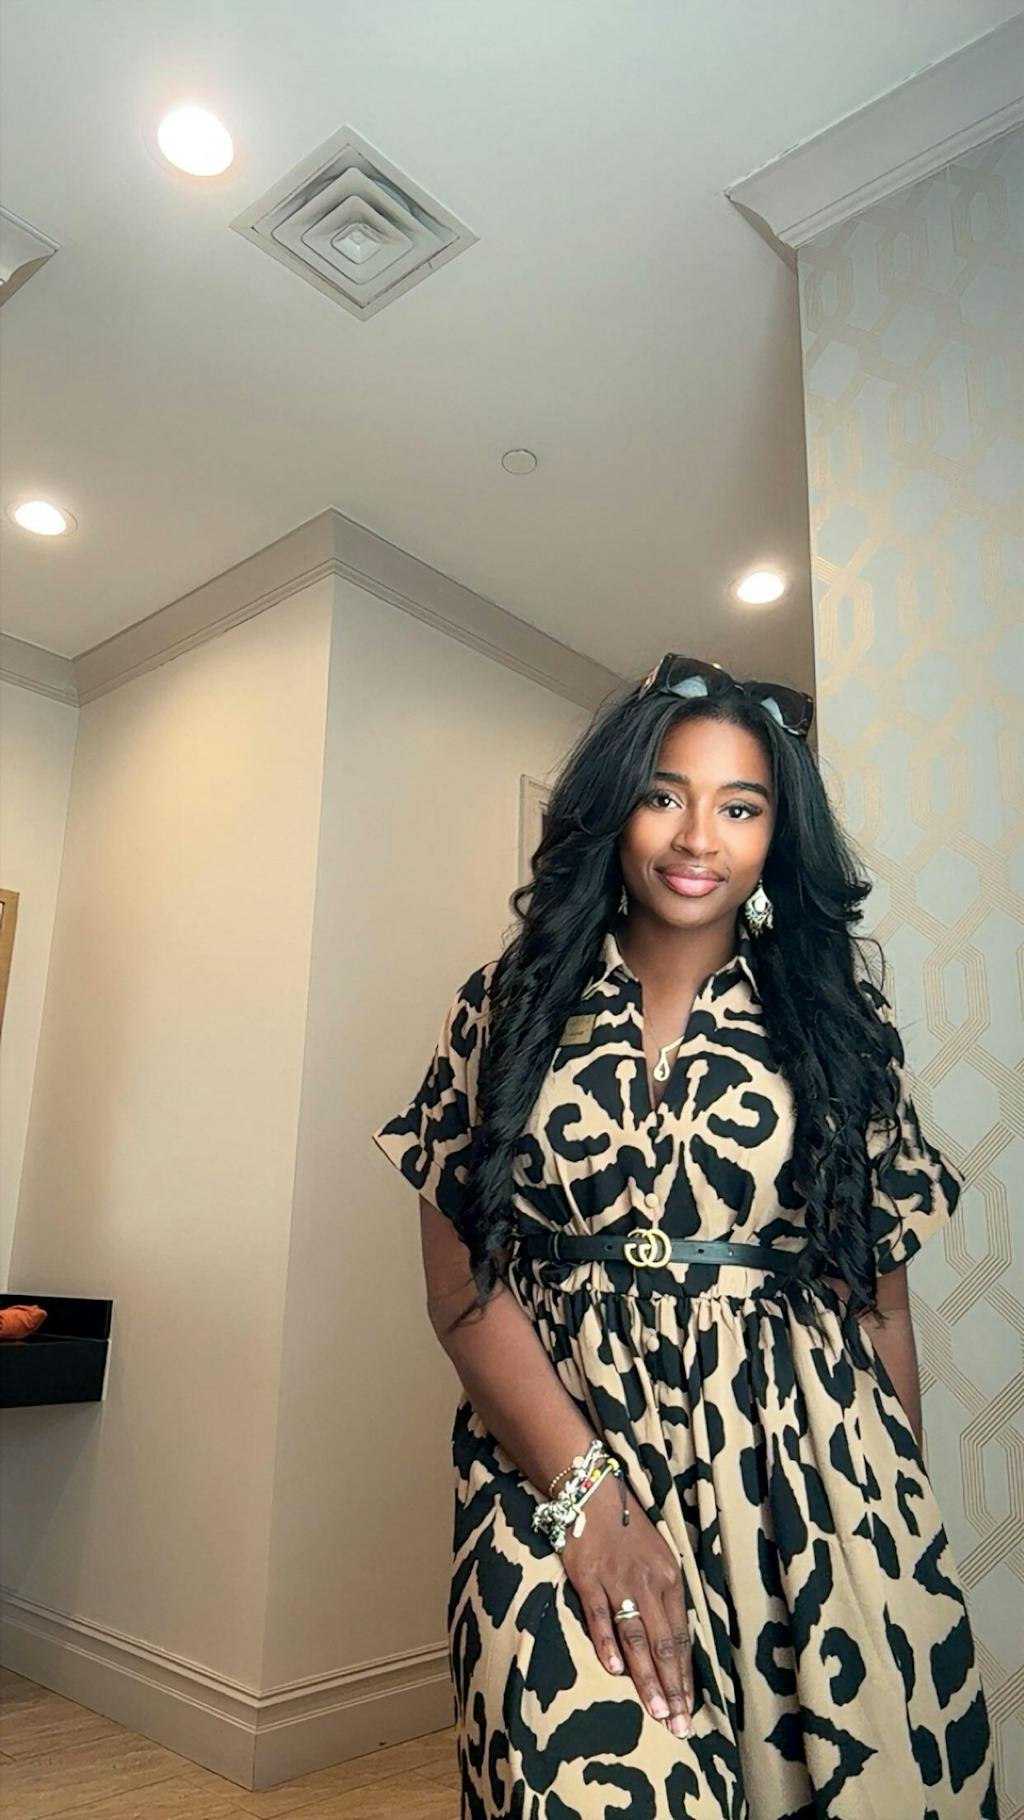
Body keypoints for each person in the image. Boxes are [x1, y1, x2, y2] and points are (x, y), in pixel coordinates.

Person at [371, 654, 998, 1820]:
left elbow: (879, 1308)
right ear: (615, 808)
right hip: (552, 1468)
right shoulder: (504, 1002)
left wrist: (898, 1527)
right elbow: (461, 1286)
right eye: (664, 793)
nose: (697, 835)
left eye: (740, 806)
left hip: (812, 1486)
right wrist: (587, 1498)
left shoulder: (838, 1024)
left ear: (775, 835)